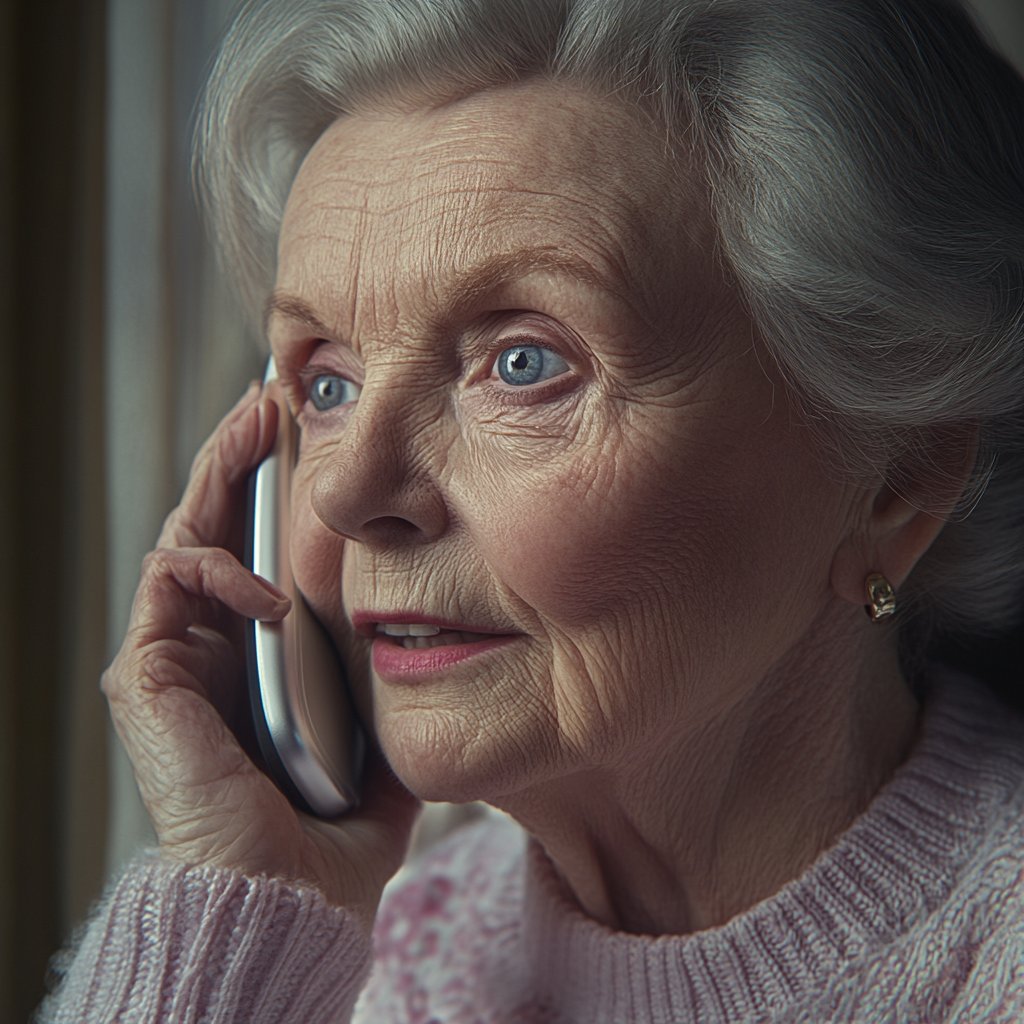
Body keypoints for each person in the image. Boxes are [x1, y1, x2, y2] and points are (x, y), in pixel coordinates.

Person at [38, 0, 1024, 1020]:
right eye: (327, 382)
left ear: (897, 475)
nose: (344, 491)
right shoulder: (393, 954)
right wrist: (239, 910)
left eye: (523, 364)